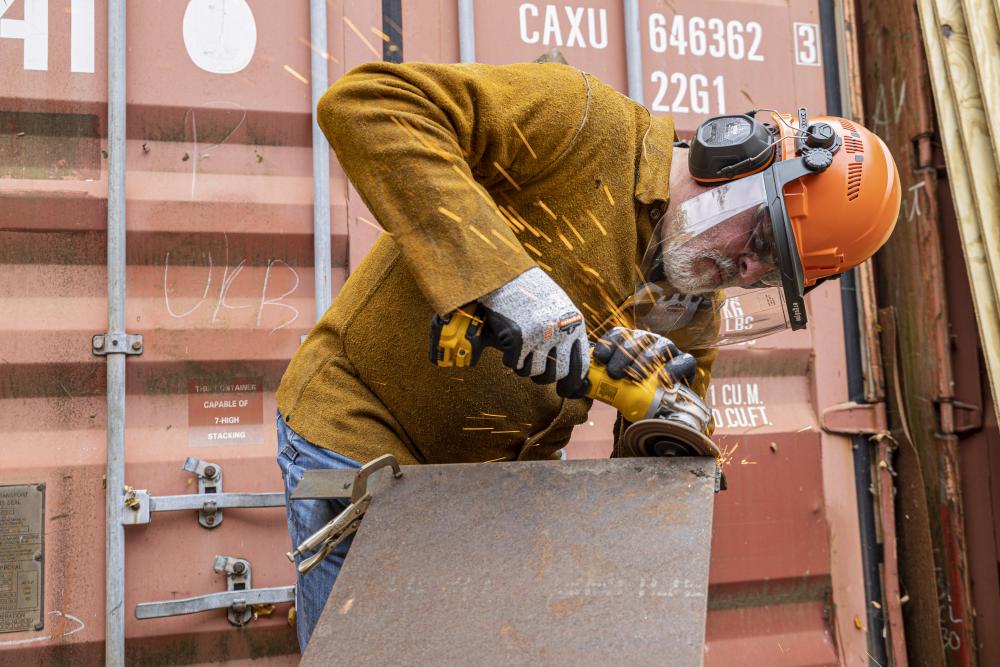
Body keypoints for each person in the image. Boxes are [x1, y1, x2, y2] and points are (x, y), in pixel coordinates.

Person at [275, 60, 901, 650]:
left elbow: (657, 456)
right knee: (374, 651)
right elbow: (366, 104)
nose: (744, 269)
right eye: (761, 238)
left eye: (769, 273)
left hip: (485, 495)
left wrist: (671, 415)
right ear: (734, 158)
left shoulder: (689, 298)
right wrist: (507, 282)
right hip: (361, 435)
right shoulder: (581, 122)